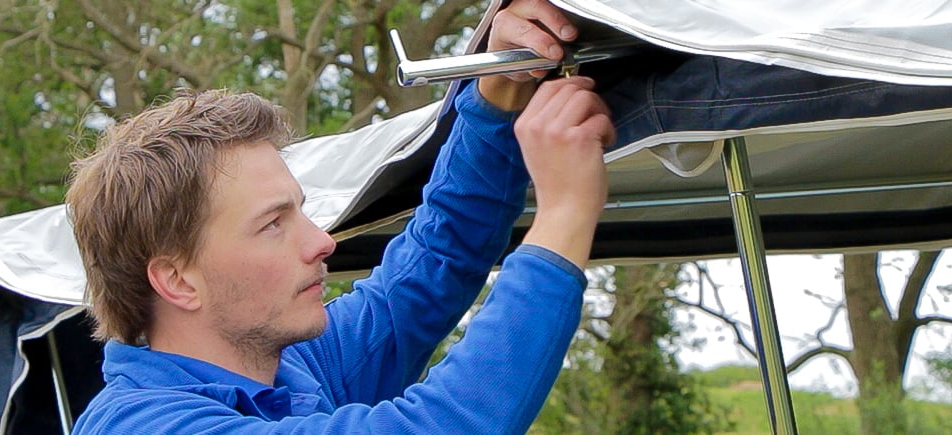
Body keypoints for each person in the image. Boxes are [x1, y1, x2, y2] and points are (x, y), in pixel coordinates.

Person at [64, 0, 614, 432]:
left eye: (300, 210)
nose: (321, 242)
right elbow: (442, 426)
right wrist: (563, 215)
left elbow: (438, 258)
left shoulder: (296, 367)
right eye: (272, 223)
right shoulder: (144, 425)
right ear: (177, 280)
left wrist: (497, 93)